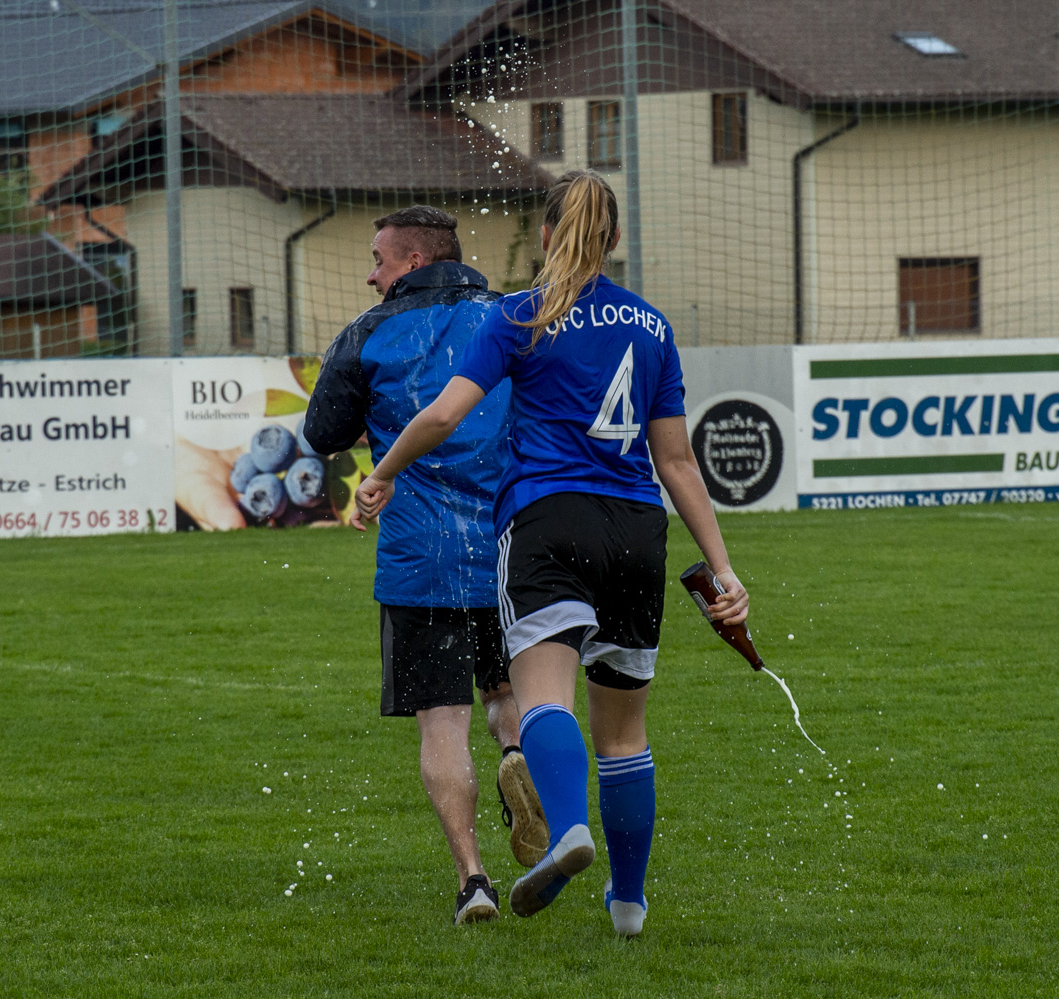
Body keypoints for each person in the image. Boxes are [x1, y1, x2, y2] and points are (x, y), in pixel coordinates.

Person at [353, 172, 750, 937]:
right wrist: (723, 569)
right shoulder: (651, 325)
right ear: (615, 240)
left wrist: (383, 473)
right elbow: (676, 462)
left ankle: (567, 827)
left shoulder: (518, 315)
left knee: (541, 698)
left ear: (543, 235)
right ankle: (627, 903)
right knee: (624, 734)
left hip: (547, 520)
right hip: (636, 529)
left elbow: (442, 415)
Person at [303, 205, 548, 925]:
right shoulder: (513, 317)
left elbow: (322, 433)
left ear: (412, 261)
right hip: (512, 548)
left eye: (377, 260)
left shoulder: (368, 332)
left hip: (421, 559)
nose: (369, 274)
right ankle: (514, 751)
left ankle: (474, 879)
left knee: (441, 722)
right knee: (508, 691)